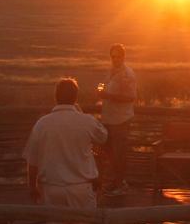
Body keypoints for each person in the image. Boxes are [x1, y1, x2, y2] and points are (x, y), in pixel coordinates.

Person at [23, 78, 109, 209]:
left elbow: (32, 161)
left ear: (55, 97)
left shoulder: (42, 124)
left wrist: (32, 187)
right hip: (82, 189)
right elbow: (103, 137)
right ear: (75, 98)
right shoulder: (86, 121)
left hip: (51, 189)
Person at [99, 43, 137, 196]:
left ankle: (120, 185)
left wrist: (108, 96)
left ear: (123, 56)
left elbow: (131, 97)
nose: (115, 59)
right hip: (108, 118)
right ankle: (116, 181)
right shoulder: (110, 71)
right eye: (113, 56)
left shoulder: (128, 74)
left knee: (119, 153)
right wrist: (101, 91)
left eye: (118, 56)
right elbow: (105, 88)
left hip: (121, 119)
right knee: (109, 152)